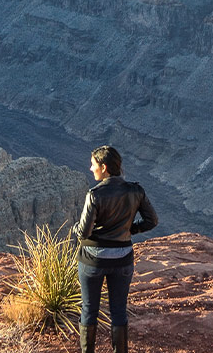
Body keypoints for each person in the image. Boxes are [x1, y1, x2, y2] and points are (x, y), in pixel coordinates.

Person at [72, 145, 158, 353]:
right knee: (119, 310)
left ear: (104, 167)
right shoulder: (135, 191)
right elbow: (152, 221)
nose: (90, 168)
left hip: (93, 260)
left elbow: (83, 232)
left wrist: (75, 228)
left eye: (93, 165)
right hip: (122, 259)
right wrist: (130, 230)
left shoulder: (95, 194)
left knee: (89, 309)